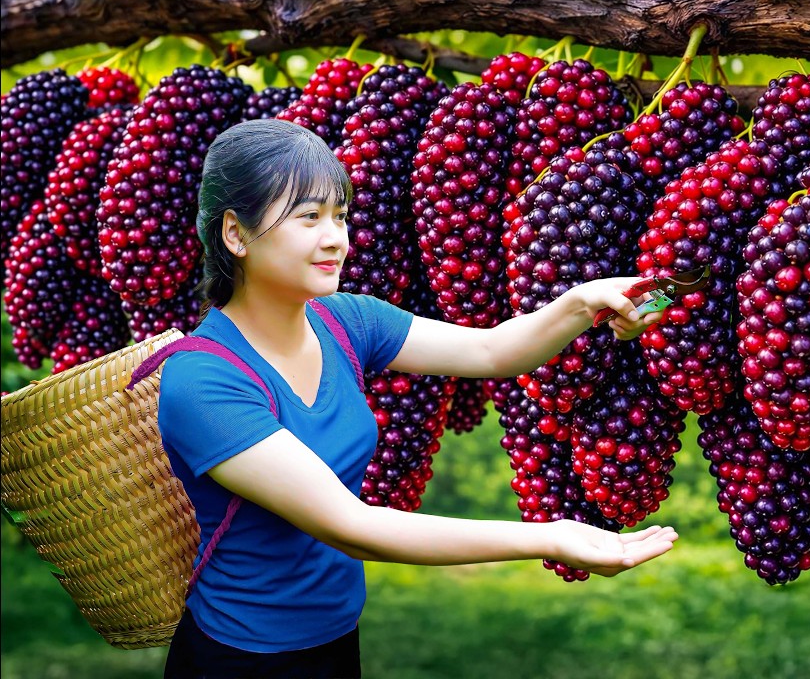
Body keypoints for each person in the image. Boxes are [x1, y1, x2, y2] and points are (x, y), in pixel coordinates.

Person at [157, 119, 678, 678]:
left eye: (341, 216)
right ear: (236, 234)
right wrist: (550, 536)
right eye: (308, 217)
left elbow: (492, 352)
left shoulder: (347, 321)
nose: (336, 237)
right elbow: (350, 525)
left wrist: (583, 302)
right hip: (240, 658)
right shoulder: (203, 381)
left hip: (333, 641)